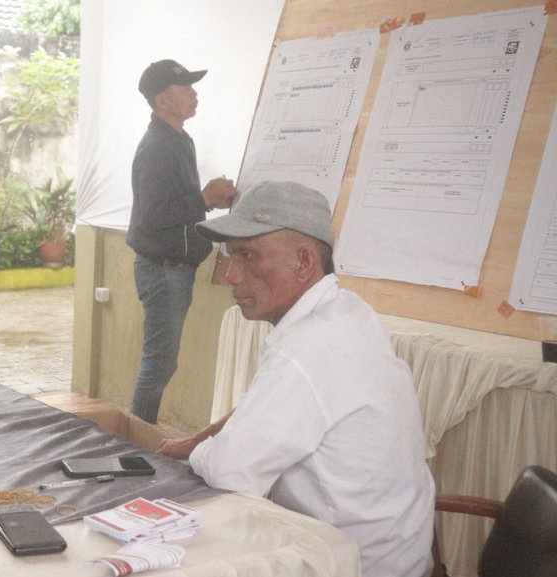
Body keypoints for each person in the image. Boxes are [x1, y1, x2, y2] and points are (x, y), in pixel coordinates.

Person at [157, 181, 435, 577]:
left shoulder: (309, 347)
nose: (232, 276)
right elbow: (266, 408)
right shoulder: (348, 311)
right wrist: (198, 439)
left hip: (354, 564)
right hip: (398, 552)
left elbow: (228, 472)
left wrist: (202, 453)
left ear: (303, 261)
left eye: (248, 255)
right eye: (229, 256)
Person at [126, 59, 238, 423]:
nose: (193, 92)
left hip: (174, 268)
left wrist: (208, 202)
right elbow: (154, 216)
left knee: (162, 361)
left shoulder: (177, 139)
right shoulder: (158, 145)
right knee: (159, 362)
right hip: (163, 270)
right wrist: (204, 198)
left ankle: (137, 435)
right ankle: (134, 439)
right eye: (184, 87)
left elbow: (174, 206)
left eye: (193, 85)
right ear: (161, 100)